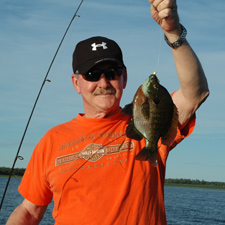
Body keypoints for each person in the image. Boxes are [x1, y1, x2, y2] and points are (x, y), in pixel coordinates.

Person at [6, 0, 209, 224]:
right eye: (92, 75)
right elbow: (29, 211)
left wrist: (173, 32)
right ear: (76, 83)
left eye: (112, 72)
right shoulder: (51, 141)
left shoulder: (143, 121)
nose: (104, 82)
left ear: (124, 78)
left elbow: (195, 94)